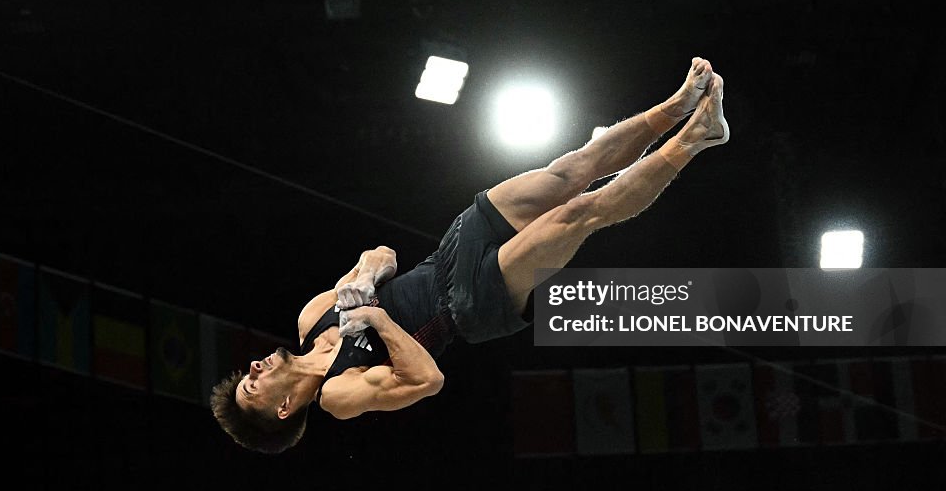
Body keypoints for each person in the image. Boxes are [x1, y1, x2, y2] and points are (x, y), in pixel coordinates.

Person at [211, 57, 729, 453]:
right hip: (468, 306)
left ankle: (678, 106)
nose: (252, 371)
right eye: (252, 390)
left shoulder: (311, 317)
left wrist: (368, 274)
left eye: (245, 377)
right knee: (578, 213)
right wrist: (374, 318)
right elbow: (428, 380)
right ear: (282, 408)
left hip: (446, 255)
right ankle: (696, 138)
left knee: (566, 173)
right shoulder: (336, 396)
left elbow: (383, 252)